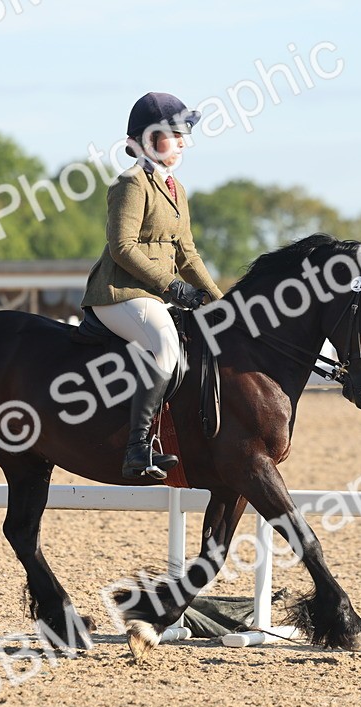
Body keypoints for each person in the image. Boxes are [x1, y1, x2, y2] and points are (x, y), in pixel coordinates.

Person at [80, 92, 224, 480]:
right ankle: (137, 449)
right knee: (164, 344)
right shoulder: (130, 183)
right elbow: (122, 247)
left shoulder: (176, 189)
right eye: (172, 135)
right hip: (119, 293)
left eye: (183, 136)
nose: (181, 143)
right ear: (145, 140)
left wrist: (218, 298)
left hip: (152, 293)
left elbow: (188, 253)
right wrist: (175, 289)